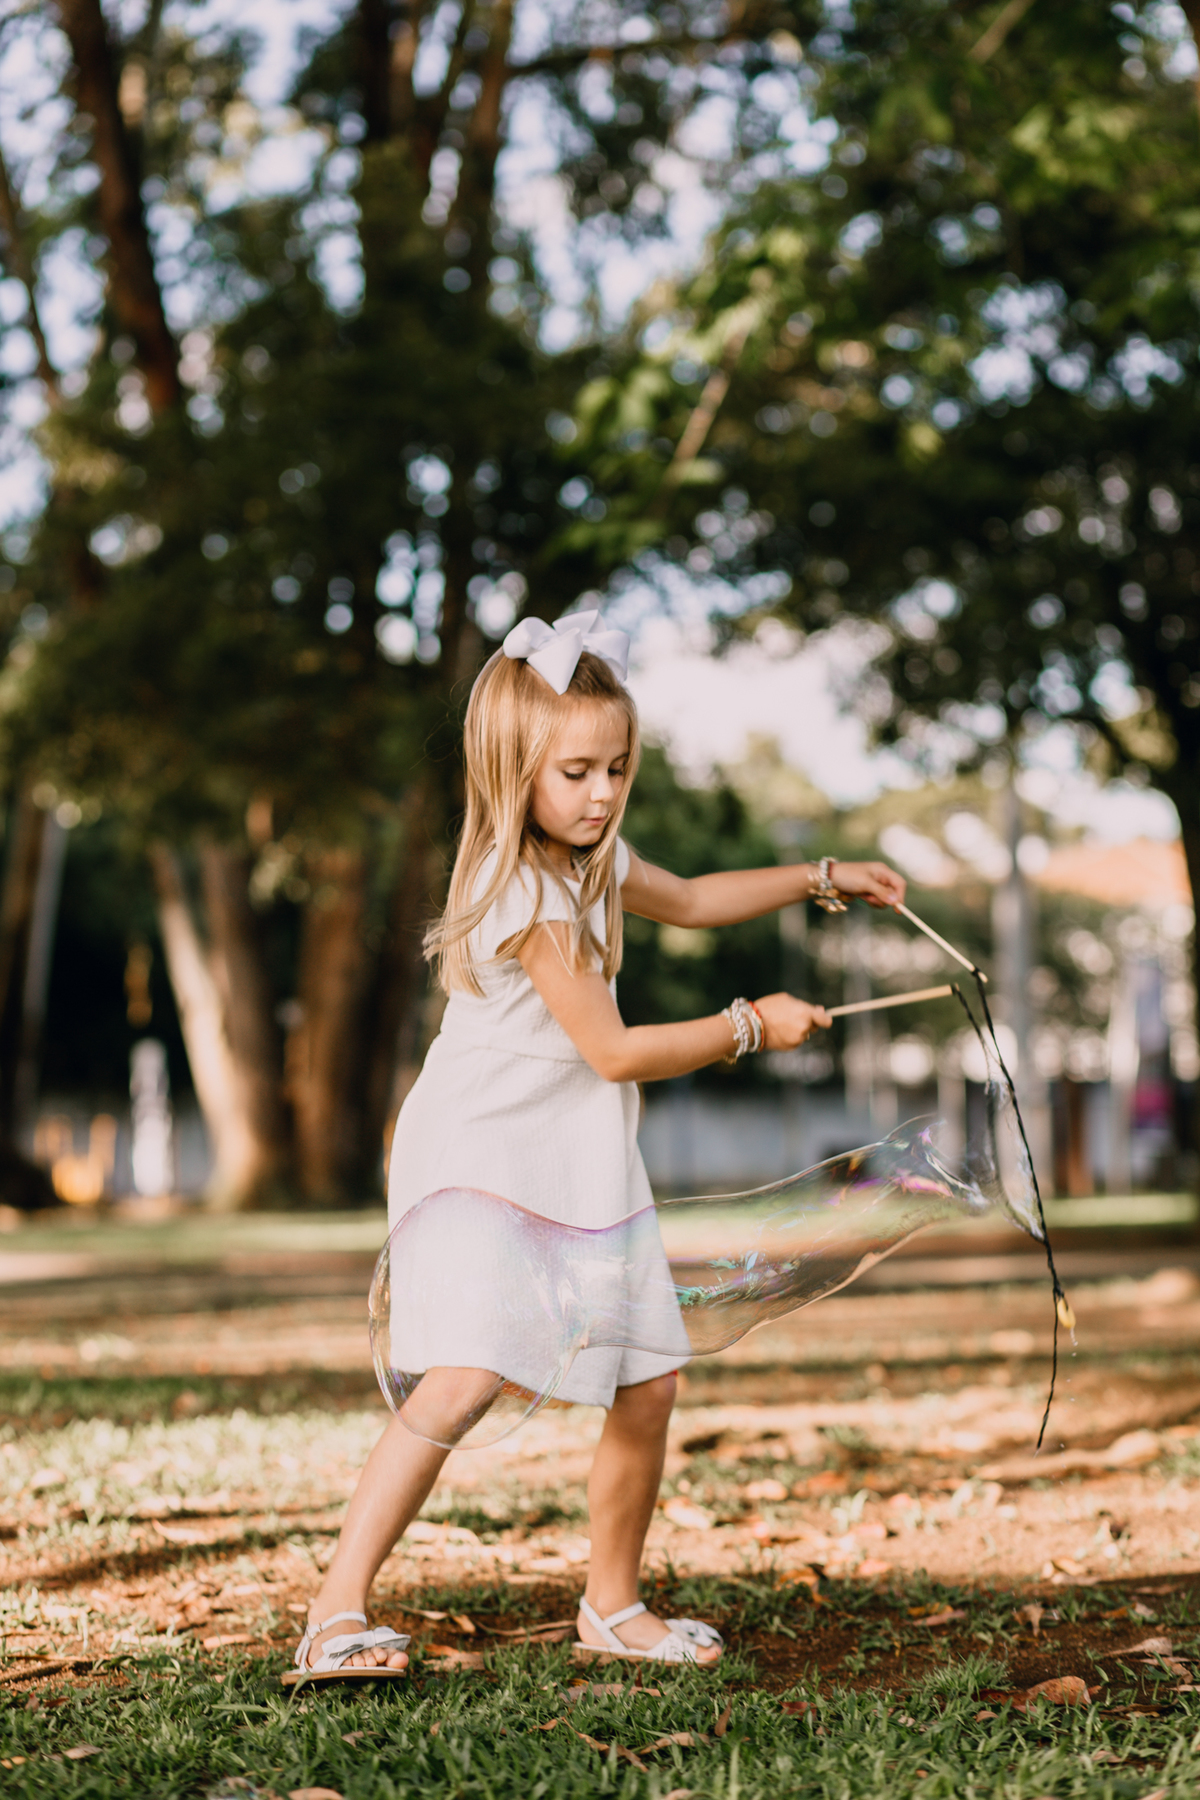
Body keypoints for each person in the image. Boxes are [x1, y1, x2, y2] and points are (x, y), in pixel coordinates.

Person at [292, 611, 905, 1681]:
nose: (602, 792)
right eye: (576, 771)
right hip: (484, 1157)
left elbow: (698, 898)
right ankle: (336, 1611)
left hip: (574, 1155)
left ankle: (612, 1607)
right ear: (512, 768)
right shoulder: (526, 894)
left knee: (649, 1382)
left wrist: (822, 875)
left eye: (618, 767)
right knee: (462, 1378)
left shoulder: (594, 861)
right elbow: (614, 1052)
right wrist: (750, 1025)